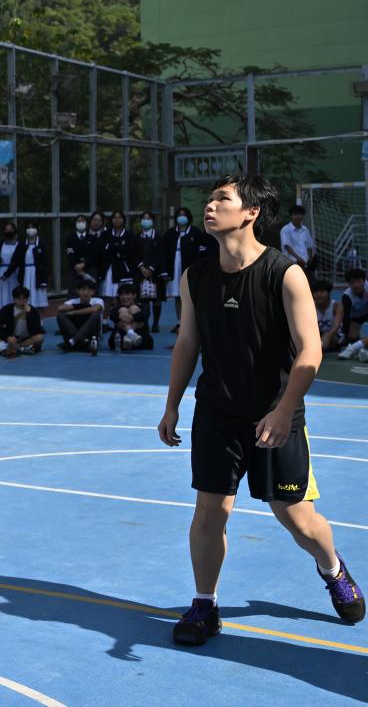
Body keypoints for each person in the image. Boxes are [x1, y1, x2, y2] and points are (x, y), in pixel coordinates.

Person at [158, 173, 364, 645]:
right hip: (217, 412)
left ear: (251, 212)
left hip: (275, 413)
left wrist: (284, 410)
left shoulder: (284, 273)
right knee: (209, 512)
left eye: (222, 199)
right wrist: (171, 406)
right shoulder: (196, 277)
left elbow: (310, 351)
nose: (210, 205)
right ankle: (205, 605)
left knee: (297, 519)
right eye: (210, 198)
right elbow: (187, 343)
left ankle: (332, 568)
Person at [161, 207, 217, 334]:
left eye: (184, 215)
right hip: (174, 267)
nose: (182, 217)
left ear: (188, 217)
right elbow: (164, 253)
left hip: (189, 268)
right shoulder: (170, 233)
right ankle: (179, 322)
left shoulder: (196, 233)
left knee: (190, 296)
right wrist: (165, 271)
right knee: (177, 295)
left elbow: (201, 253)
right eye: (179, 215)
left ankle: (190, 323)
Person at [0, 286, 44, 358]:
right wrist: (7, 338)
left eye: (24, 299)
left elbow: (37, 330)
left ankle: (12, 348)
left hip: (26, 339)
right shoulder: (6, 309)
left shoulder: (33, 311)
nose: (21, 301)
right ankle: (13, 348)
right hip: (11, 338)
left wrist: (29, 314)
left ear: (27, 299)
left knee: (40, 337)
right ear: (14, 299)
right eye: (19, 299)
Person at [56, 278, 103, 355]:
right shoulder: (73, 301)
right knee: (61, 315)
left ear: (93, 292)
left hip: (90, 336)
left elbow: (95, 309)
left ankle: (75, 340)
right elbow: (60, 308)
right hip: (75, 333)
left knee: (96, 314)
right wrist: (77, 306)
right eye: (83, 290)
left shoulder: (98, 300)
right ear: (78, 291)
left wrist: (74, 312)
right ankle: (80, 341)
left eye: (88, 290)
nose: (85, 292)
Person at [135, 210, 164, 332]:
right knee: (143, 300)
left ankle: (155, 323)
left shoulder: (158, 236)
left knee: (156, 300)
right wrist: (141, 267)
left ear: (152, 221)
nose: (146, 221)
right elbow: (134, 254)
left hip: (155, 273)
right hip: (141, 272)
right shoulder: (137, 237)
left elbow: (160, 254)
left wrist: (151, 268)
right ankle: (145, 323)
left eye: (148, 218)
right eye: (144, 219)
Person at [99, 210, 135, 304]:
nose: (117, 220)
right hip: (109, 269)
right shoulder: (105, 234)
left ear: (123, 220)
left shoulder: (129, 235)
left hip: (125, 270)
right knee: (107, 297)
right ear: (111, 220)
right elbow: (103, 251)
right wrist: (118, 248)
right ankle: (107, 314)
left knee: (124, 297)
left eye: (119, 217)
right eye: (114, 217)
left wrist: (113, 247)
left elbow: (129, 251)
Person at [108, 282, 153, 351]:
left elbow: (145, 315)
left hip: (141, 341)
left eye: (127, 294)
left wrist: (132, 317)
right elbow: (112, 316)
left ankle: (129, 336)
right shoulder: (117, 308)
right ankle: (131, 335)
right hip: (121, 342)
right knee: (123, 310)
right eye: (122, 295)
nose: (124, 297)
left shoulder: (143, 306)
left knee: (134, 308)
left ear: (134, 295)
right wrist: (122, 316)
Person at [335, 267, 368, 360]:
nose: (356, 285)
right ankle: (355, 347)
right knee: (352, 337)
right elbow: (346, 318)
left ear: (364, 281)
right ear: (348, 284)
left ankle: (356, 348)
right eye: (352, 282)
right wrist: (346, 341)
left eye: (358, 281)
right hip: (355, 317)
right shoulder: (347, 296)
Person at [0, 221, 23, 310]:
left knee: (16, 296)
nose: (8, 232)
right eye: (6, 230)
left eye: (10, 230)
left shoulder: (20, 245)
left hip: (15, 274)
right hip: (1, 275)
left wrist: (8, 273)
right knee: (3, 297)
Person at [280, 204, 317, 276]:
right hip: (291, 264)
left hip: (305, 264)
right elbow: (287, 247)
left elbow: (309, 246)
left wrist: (309, 260)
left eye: (300, 214)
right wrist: (299, 259)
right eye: (295, 214)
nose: (298, 216)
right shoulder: (285, 230)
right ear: (291, 216)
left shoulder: (305, 230)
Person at [65, 213, 98, 295]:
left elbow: (94, 255)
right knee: (74, 294)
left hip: (89, 270)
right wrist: (76, 266)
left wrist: (84, 264)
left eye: (83, 221)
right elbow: (70, 253)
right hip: (74, 270)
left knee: (90, 293)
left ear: (86, 223)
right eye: (78, 221)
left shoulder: (92, 238)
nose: (81, 223)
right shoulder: (70, 238)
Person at [311, 278, 344, 353]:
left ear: (328, 293)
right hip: (318, 335)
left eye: (322, 292)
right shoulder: (310, 306)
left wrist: (327, 337)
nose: (318, 295)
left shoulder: (337, 306)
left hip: (334, 336)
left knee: (328, 336)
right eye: (315, 292)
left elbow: (336, 326)